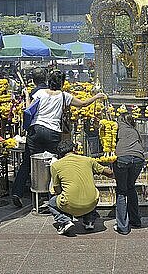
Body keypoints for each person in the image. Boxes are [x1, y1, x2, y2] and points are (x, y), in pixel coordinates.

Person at [11, 69, 106, 207]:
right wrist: (97, 97)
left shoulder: (40, 93)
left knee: (27, 162)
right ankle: (51, 197)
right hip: (52, 132)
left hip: (35, 130)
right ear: (62, 83)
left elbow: (27, 109)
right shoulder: (64, 96)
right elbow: (83, 104)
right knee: (54, 163)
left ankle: (17, 192)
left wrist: (26, 96)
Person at [48, 139, 114, 235]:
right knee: (91, 192)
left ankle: (65, 221)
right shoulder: (88, 160)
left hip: (70, 203)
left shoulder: (55, 165)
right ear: (74, 149)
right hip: (92, 202)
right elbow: (109, 172)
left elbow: (57, 188)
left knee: (51, 203)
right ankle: (89, 221)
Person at [113, 111, 145, 235]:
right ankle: (135, 220)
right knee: (131, 187)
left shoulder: (117, 129)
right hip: (138, 159)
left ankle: (123, 226)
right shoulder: (135, 131)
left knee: (121, 190)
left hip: (122, 159)